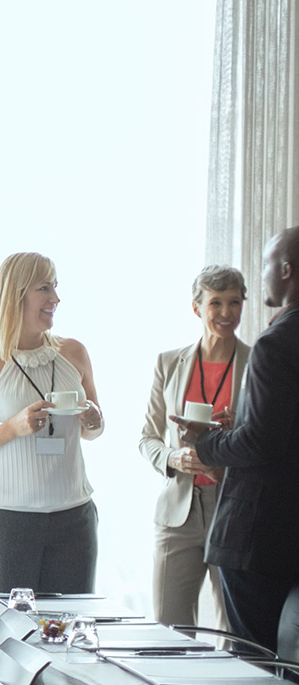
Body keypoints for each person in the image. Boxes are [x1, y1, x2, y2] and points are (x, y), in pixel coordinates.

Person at [176, 227, 299, 654]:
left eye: (265, 264)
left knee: (254, 663)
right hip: (284, 535)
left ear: (284, 270)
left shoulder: (273, 343)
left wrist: (206, 443)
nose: (262, 274)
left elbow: (262, 441)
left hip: (257, 538)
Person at [0, 252, 105, 594]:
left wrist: (94, 419)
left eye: (55, 286)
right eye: (44, 288)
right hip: (4, 522)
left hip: (73, 518)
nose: (56, 298)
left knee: (69, 632)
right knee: (8, 633)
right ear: (16, 295)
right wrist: (9, 430)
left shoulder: (74, 353)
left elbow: (92, 430)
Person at [139, 266, 247, 628]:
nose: (226, 313)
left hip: (236, 508)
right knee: (170, 630)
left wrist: (241, 430)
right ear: (196, 308)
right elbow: (147, 438)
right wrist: (173, 457)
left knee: (236, 632)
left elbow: (271, 440)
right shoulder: (168, 363)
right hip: (178, 515)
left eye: (234, 302)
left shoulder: (258, 364)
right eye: (216, 303)